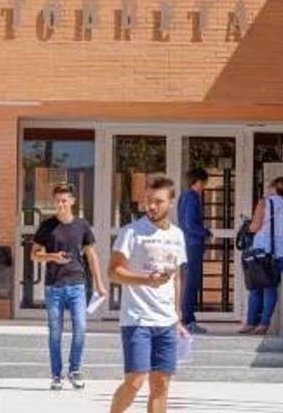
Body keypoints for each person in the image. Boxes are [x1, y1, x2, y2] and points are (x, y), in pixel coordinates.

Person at [107, 175, 189, 413]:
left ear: (171, 202)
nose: (152, 206)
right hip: (137, 319)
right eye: (148, 200)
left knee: (161, 384)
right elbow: (113, 272)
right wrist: (146, 280)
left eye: (159, 201)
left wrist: (178, 316)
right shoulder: (131, 232)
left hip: (166, 321)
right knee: (135, 379)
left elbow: (176, 277)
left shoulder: (177, 236)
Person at [30, 182, 108, 391]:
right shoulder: (47, 226)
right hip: (53, 287)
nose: (61, 205)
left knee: (80, 328)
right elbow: (33, 254)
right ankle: (56, 375)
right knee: (55, 332)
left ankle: (75, 370)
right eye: (57, 201)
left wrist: (100, 284)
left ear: (72, 201)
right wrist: (52, 256)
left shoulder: (82, 226)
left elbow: (91, 256)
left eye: (64, 201)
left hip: (77, 286)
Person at [239, 176, 283, 335]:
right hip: (282, 253)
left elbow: (255, 227)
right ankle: (263, 325)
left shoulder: (264, 203)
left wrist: (248, 227)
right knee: (270, 289)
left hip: (262, 252)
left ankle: (250, 323)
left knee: (255, 288)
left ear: (272, 188)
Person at [177, 168, 211, 335]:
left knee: (189, 282)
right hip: (193, 244)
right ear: (197, 181)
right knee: (191, 283)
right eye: (204, 182)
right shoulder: (191, 197)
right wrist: (205, 233)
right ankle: (188, 320)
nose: (205, 186)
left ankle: (187, 318)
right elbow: (190, 224)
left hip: (188, 244)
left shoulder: (185, 196)